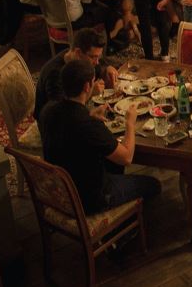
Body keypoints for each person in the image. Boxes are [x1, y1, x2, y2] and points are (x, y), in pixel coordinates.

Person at [39, 59, 160, 215]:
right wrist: (130, 123)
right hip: (89, 199)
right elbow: (126, 157)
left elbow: (70, 127)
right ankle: (123, 224)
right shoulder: (87, 124)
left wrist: (90, 114)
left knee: (113, 163)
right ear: (87, 86)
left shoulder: (48, 111)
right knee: (154, 185)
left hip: (60, 191)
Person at [34, 27, 118, 120]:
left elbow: (99, 66)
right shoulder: (55, 75)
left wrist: (106, 69)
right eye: (93, 57)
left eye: (98, 57)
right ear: (78, 52)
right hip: (54, 122)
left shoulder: (76, 57)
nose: (97, 62)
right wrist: (89, 93)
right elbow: (62, 112)